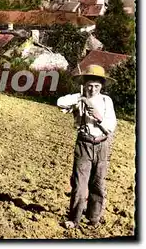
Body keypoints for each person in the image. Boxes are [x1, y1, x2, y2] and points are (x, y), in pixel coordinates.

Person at [57, 64, 117, 229]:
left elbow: (111, 125)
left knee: (98, 183)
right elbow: (60, 102)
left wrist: (98, 117)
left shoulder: (106, 101)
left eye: (96, 86)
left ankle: (93, 218)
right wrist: (82, 99)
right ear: (84, 84)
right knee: (80, 184)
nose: (93, 89)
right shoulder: (79, 98)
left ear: (101, 87)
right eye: (89, 85)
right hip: (83, 144)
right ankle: (74, 219)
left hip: (102, 145)